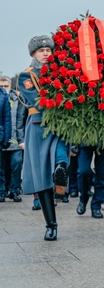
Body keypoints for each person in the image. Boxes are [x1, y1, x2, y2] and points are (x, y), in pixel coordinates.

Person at [17, 35, 70, 241]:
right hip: (39, 125)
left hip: (61, 125)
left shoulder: (62, 72)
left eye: (49, 50)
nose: (46, 54)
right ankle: (51, 224)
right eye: (41, 51)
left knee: (61, 155)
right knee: (41, 177)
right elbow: (38, 102)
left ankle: (61, 174)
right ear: (33, 54)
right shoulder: (26, 75)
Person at [0, 76, 26, 203]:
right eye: (1, 86)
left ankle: (14, 190)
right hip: (2, 138)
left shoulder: (19, 99)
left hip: (16, 139)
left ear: (10, 86)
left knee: (16, 166)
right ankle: (2, 191)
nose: (4, 88)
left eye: (6, 86)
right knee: (1, 168)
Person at [75, 145, 104, 219]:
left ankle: (96, 206)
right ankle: (83, 198)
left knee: (102, 175)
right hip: (84, 138)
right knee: (83, 171)